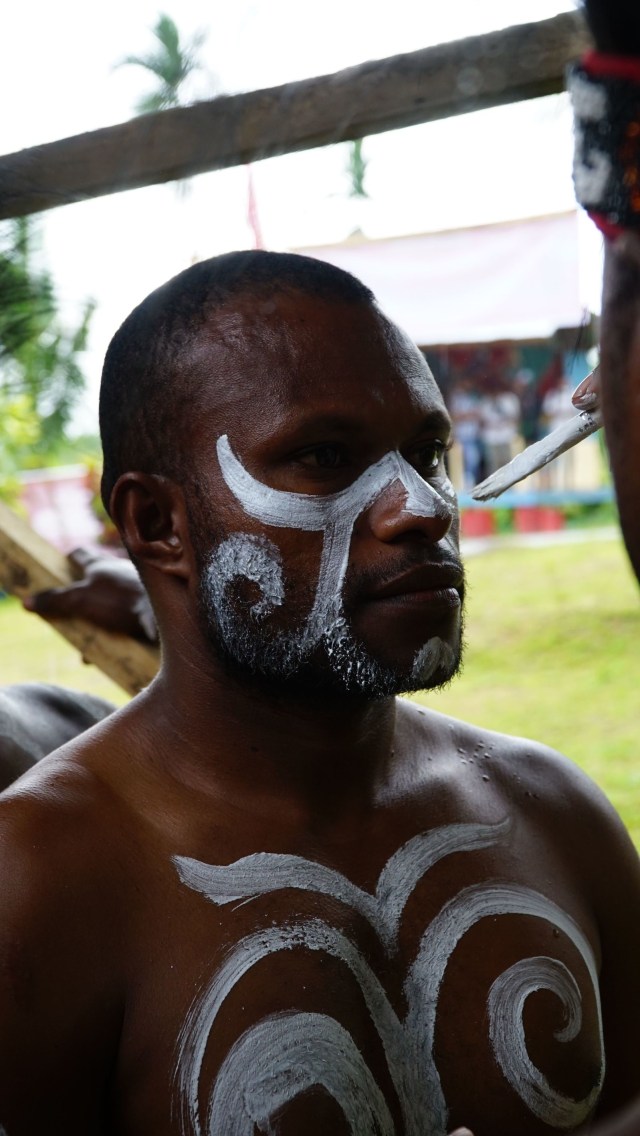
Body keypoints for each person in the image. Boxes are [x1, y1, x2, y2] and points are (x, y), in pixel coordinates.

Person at [0, 249, 638, 1136]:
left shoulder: (554, 811)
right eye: (326, 457)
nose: (422, 506)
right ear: (157, 524)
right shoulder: (38, 883)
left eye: (427, 453)